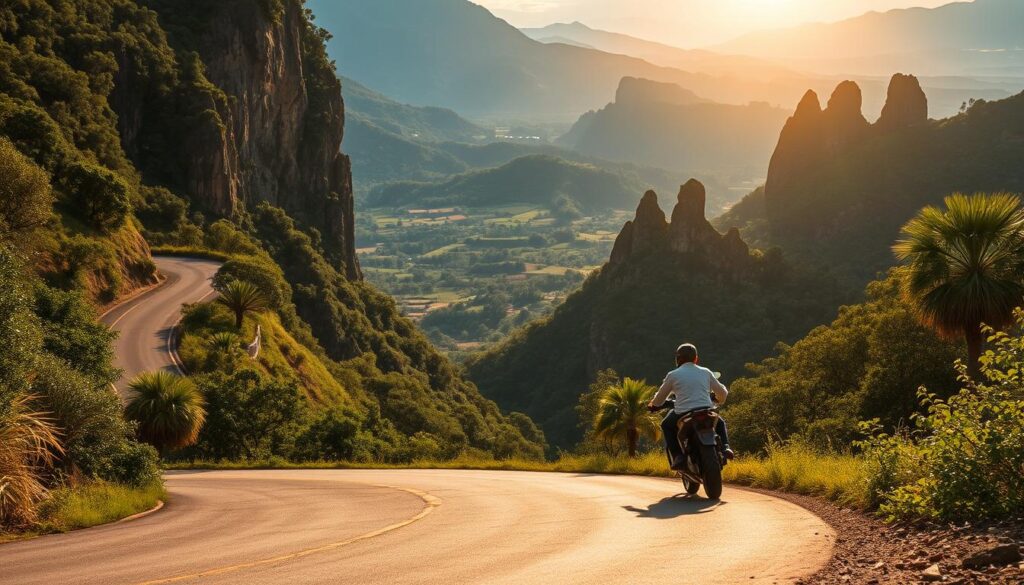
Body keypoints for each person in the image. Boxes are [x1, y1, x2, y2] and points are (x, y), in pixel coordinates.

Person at [648, 343, 734, 470]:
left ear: (678, 359)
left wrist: (653, 405)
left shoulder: (673, 375)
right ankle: (726, 447)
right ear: (696, 359)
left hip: (683, 413)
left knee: (666, 425)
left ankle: (678, 456)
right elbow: (723, 393)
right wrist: (718, 400)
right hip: (706, 409)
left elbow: (659, 399)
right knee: (720, 422)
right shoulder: (706, 372)